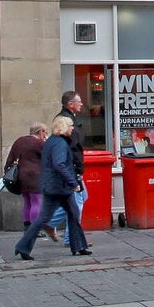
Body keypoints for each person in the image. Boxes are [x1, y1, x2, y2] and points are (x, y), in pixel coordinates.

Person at [14, 115, 90, 260]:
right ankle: (23, 246)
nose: (72, 128)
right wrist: (73, 183)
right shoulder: (60, 144)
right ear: (63, 128)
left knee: (73, 213)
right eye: (70, 126)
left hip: (55, 186)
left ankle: (79, 246)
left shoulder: (52, 141)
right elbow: (59, 164)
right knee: (44, 218)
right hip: (57, 187)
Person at [5, 121, 51, 240]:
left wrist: (7, 171)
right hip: (34, 176)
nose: (45, 135)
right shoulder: (39, 143)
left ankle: (27, 227)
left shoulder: (19, 141)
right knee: (36, 202)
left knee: (27, 201)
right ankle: (34, 230)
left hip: (20, 176)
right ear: (40, 132)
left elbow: (10, 159)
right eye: (45, 132)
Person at [61, 89, 91, 229]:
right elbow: (73, 147)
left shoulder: (71, 118)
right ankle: (71, 237)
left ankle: (48, 221)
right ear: (70, 104)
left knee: (81, 198)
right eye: (79, 101)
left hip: (72, 168)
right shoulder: (66, 120)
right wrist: (76, 168)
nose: (81, 104)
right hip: (71, 168)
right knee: (77, 202)